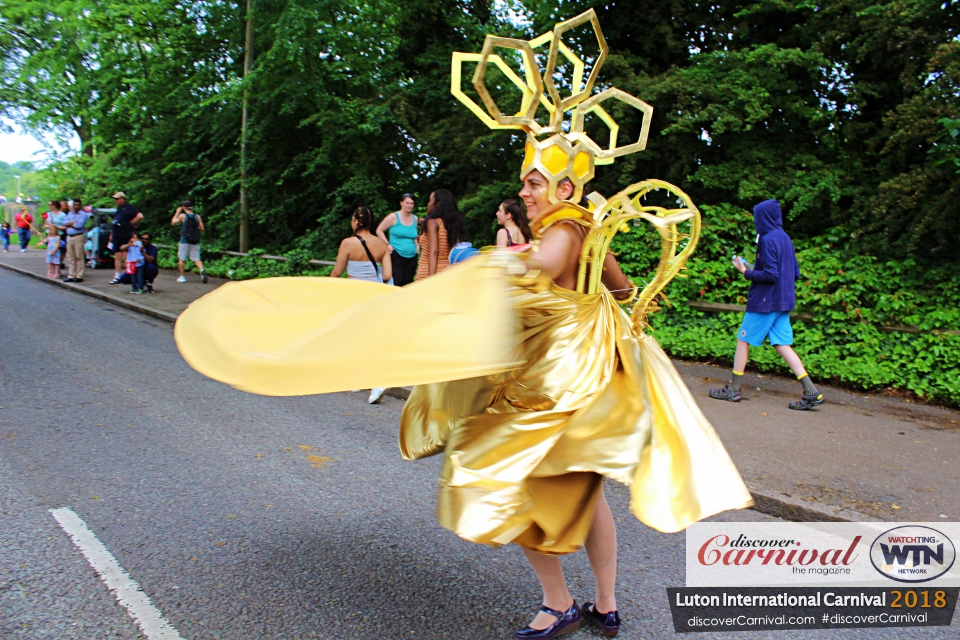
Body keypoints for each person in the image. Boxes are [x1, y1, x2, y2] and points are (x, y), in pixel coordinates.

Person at [173, 12, 752, 639]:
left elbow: (554, 258)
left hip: (549, 389)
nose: (524, 193)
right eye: (525, 184)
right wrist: (614, 301)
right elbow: (618, 285)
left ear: (562, 183)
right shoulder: (586, 226)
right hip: (570, 381)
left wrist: (510, 260)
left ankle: (558, 602)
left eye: (533, 184)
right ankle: (606, 605)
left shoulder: (563, 228)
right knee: (585, 493)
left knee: (499, 470)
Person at [709, 199, 825, 410]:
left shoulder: (767, 239)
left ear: (763, 218)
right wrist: (753, 267)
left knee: (742, 341)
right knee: (782, 344)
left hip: (765, 302)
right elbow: (793, 273)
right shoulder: (785, 238)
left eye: (757, 217)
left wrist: (745, 272)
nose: (756, 222)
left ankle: (733, 390)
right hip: (783, 301)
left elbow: (770, 275)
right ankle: (811, 391)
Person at [331, 206, 394, 405]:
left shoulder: (347, 243)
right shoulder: (382, 245)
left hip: (354, 295)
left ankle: (367, 380)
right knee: (371, 337)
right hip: (375, 295)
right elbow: (386, 276)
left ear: (357, 222)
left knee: (353, 336)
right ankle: (367, 380)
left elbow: (337, 272)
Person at [376, 193, 420, 286]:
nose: (409, 205)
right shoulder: (393, 217)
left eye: (411, 203)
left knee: (408, 285)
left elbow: (414, 235)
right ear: (401, 203)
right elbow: (379, 230)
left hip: (412, 257)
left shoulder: (415, 219)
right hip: (396, 255)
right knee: (397, 283)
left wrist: (417, 248)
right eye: (407, 203)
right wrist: (387, 245)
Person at [414, 189, 458, 280]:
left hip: (428, 273)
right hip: (447, 273)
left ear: (437, 204)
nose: (428, 204)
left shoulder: (433, 222)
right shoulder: (452, 224)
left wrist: (431, 281)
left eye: (430, 200)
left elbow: (434, 252)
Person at [108, 192, 143, 284]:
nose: (116, 201)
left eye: (118, 199)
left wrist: (132, 222)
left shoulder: (130, 207)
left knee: (126, 255)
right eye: (115, 199)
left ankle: (130, 274)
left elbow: (140, 216)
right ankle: (117, 276)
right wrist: (112, 233)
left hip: (126, 234)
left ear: (123, 198)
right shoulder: (118, 209)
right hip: (117, 234)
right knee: (117, 256)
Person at [170, 200, 207, 283]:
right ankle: (202, 270)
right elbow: (202, 228)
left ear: (183, 207)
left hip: (185, 240)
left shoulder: (182, 216)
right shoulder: (197, 217)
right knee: (196, 258)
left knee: (182, 259)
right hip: (195, 240)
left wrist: (177, 212)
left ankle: (182, 276)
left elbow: (173, 223)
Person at [63, 198, 91, 282]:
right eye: (75, 205)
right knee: (70, 257)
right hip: (69, 236)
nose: (76, 206)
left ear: (80, 205)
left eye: (78, 205)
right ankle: (71, 275)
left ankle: (79, 275)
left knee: (79, 256)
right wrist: (71, 223)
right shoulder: (70, 213)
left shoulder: (83, 214)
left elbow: (79, 225)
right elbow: (64, 222)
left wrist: (69, 224)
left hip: (78, 236)